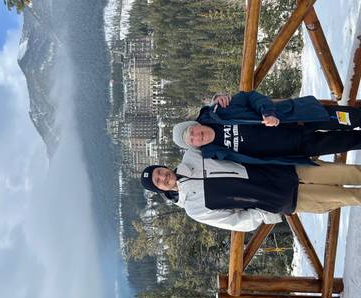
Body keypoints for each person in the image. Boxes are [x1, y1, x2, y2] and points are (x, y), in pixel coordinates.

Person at [141, 149, 361, 232]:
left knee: (348, 172)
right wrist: (265, 212)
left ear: (162, 166)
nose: (163, 177)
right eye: (158, 181)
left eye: (159, 172)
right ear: (160, 189)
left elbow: (213, 132)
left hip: (285, 170)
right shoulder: (194, 209)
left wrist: (218, 100)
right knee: (348, 196)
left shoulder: (193, 156)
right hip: (282, 199)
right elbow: (236, 222)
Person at [172, 91, 361, 165]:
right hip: (299, 148)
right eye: (192, 141)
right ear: (194, 146)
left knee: (351, 117)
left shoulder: (221, 109)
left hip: (300, 118)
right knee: (350, 142)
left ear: (195, 124)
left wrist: (268, 112)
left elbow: (251, 97)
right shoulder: (215, 155)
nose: (197, 137)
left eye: (192, 131)